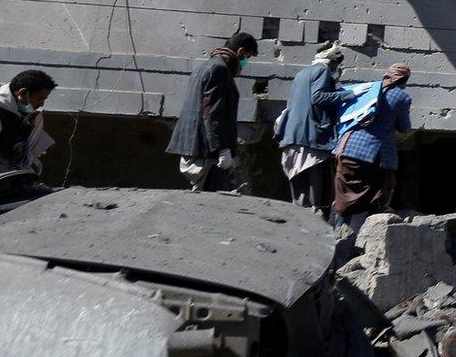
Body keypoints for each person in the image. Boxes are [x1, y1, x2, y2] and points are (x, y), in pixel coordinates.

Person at [167, 32, 258, 192]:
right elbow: (212, 113)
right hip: (207, 149)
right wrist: (222, 148)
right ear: (240, 52)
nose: (245, 63)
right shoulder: (219, 70)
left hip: (196, 144)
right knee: (210, 199)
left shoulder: (204, 66)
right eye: (247, 58)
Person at [331, 63, 411, 226]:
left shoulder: (368, 88)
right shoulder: (402, 97)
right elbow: (404, 127)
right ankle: (354, 238)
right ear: (403, 80)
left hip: (346, 147)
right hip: (371, 154)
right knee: (368, 197)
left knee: (342, 197)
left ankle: (335, 232)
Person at [275, 42, 348, 212]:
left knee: (298, 191)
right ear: (331, 62)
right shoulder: (322, 71)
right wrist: (346, 95)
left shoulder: (301, 74)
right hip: (311, 138)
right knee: (316, 191)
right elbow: (318, 97)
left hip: (293, 136)